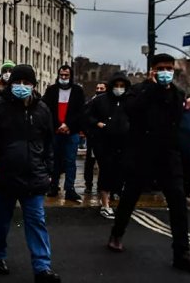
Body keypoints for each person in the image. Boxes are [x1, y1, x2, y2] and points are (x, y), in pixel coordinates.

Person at [107, 53, 190, 273]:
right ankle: (117, 233)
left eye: (169, 69)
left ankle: (182, 253)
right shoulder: (138, 90)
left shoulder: (176, 93)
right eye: (161, 68)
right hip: (141, 154)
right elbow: (131, 110)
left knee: (178, 203)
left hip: (168, 155)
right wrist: (152, 88)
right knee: (130, 197)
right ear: (152, 70)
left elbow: (176, 120)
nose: (166, 72)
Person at [0, 64, 61, 283]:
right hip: (5, 175)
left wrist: (50, 170)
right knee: (2, 219)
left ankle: (42, 267)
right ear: (10, 84)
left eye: (26, 83)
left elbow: (49, 143)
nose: (22, 87)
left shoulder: (42, 110)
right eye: (18, 83)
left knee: (36, 221)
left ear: (33, 85)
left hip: (34, 175)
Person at [85, 73, 131, 220]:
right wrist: (97, 124)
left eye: (122, 86)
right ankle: (105, 204)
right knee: (106, 171)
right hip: (104, 142)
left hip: (123, 142)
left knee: (121, 171)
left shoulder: (129, 101)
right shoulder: (100, 100)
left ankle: (114, 196)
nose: (119, 89)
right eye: (116, 86)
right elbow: (86, 115)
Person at [42, 65, 86, 203]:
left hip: (71, 132)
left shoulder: (78, 91)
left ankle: (70, 189)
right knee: (54, 160)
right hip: (55, 132)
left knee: (70, 161)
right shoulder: (51, 90)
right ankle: (53, 187)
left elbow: (80, 112)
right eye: (62, 75)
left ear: (70, 76)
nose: (64, 77)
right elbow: (47, 110)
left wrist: (68, 125)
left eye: (66, 75)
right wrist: (57, 125)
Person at [82, 82, 108, 195]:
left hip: (105, 138)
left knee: (104, 164)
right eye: (97, 88)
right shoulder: (91, 103)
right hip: (93, 138)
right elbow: (86, 118)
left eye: (101, 88)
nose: (99, 90)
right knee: (90, 163)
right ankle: (89, 184)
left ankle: (101, 186)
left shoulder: (108, 103)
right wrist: (89, 132)